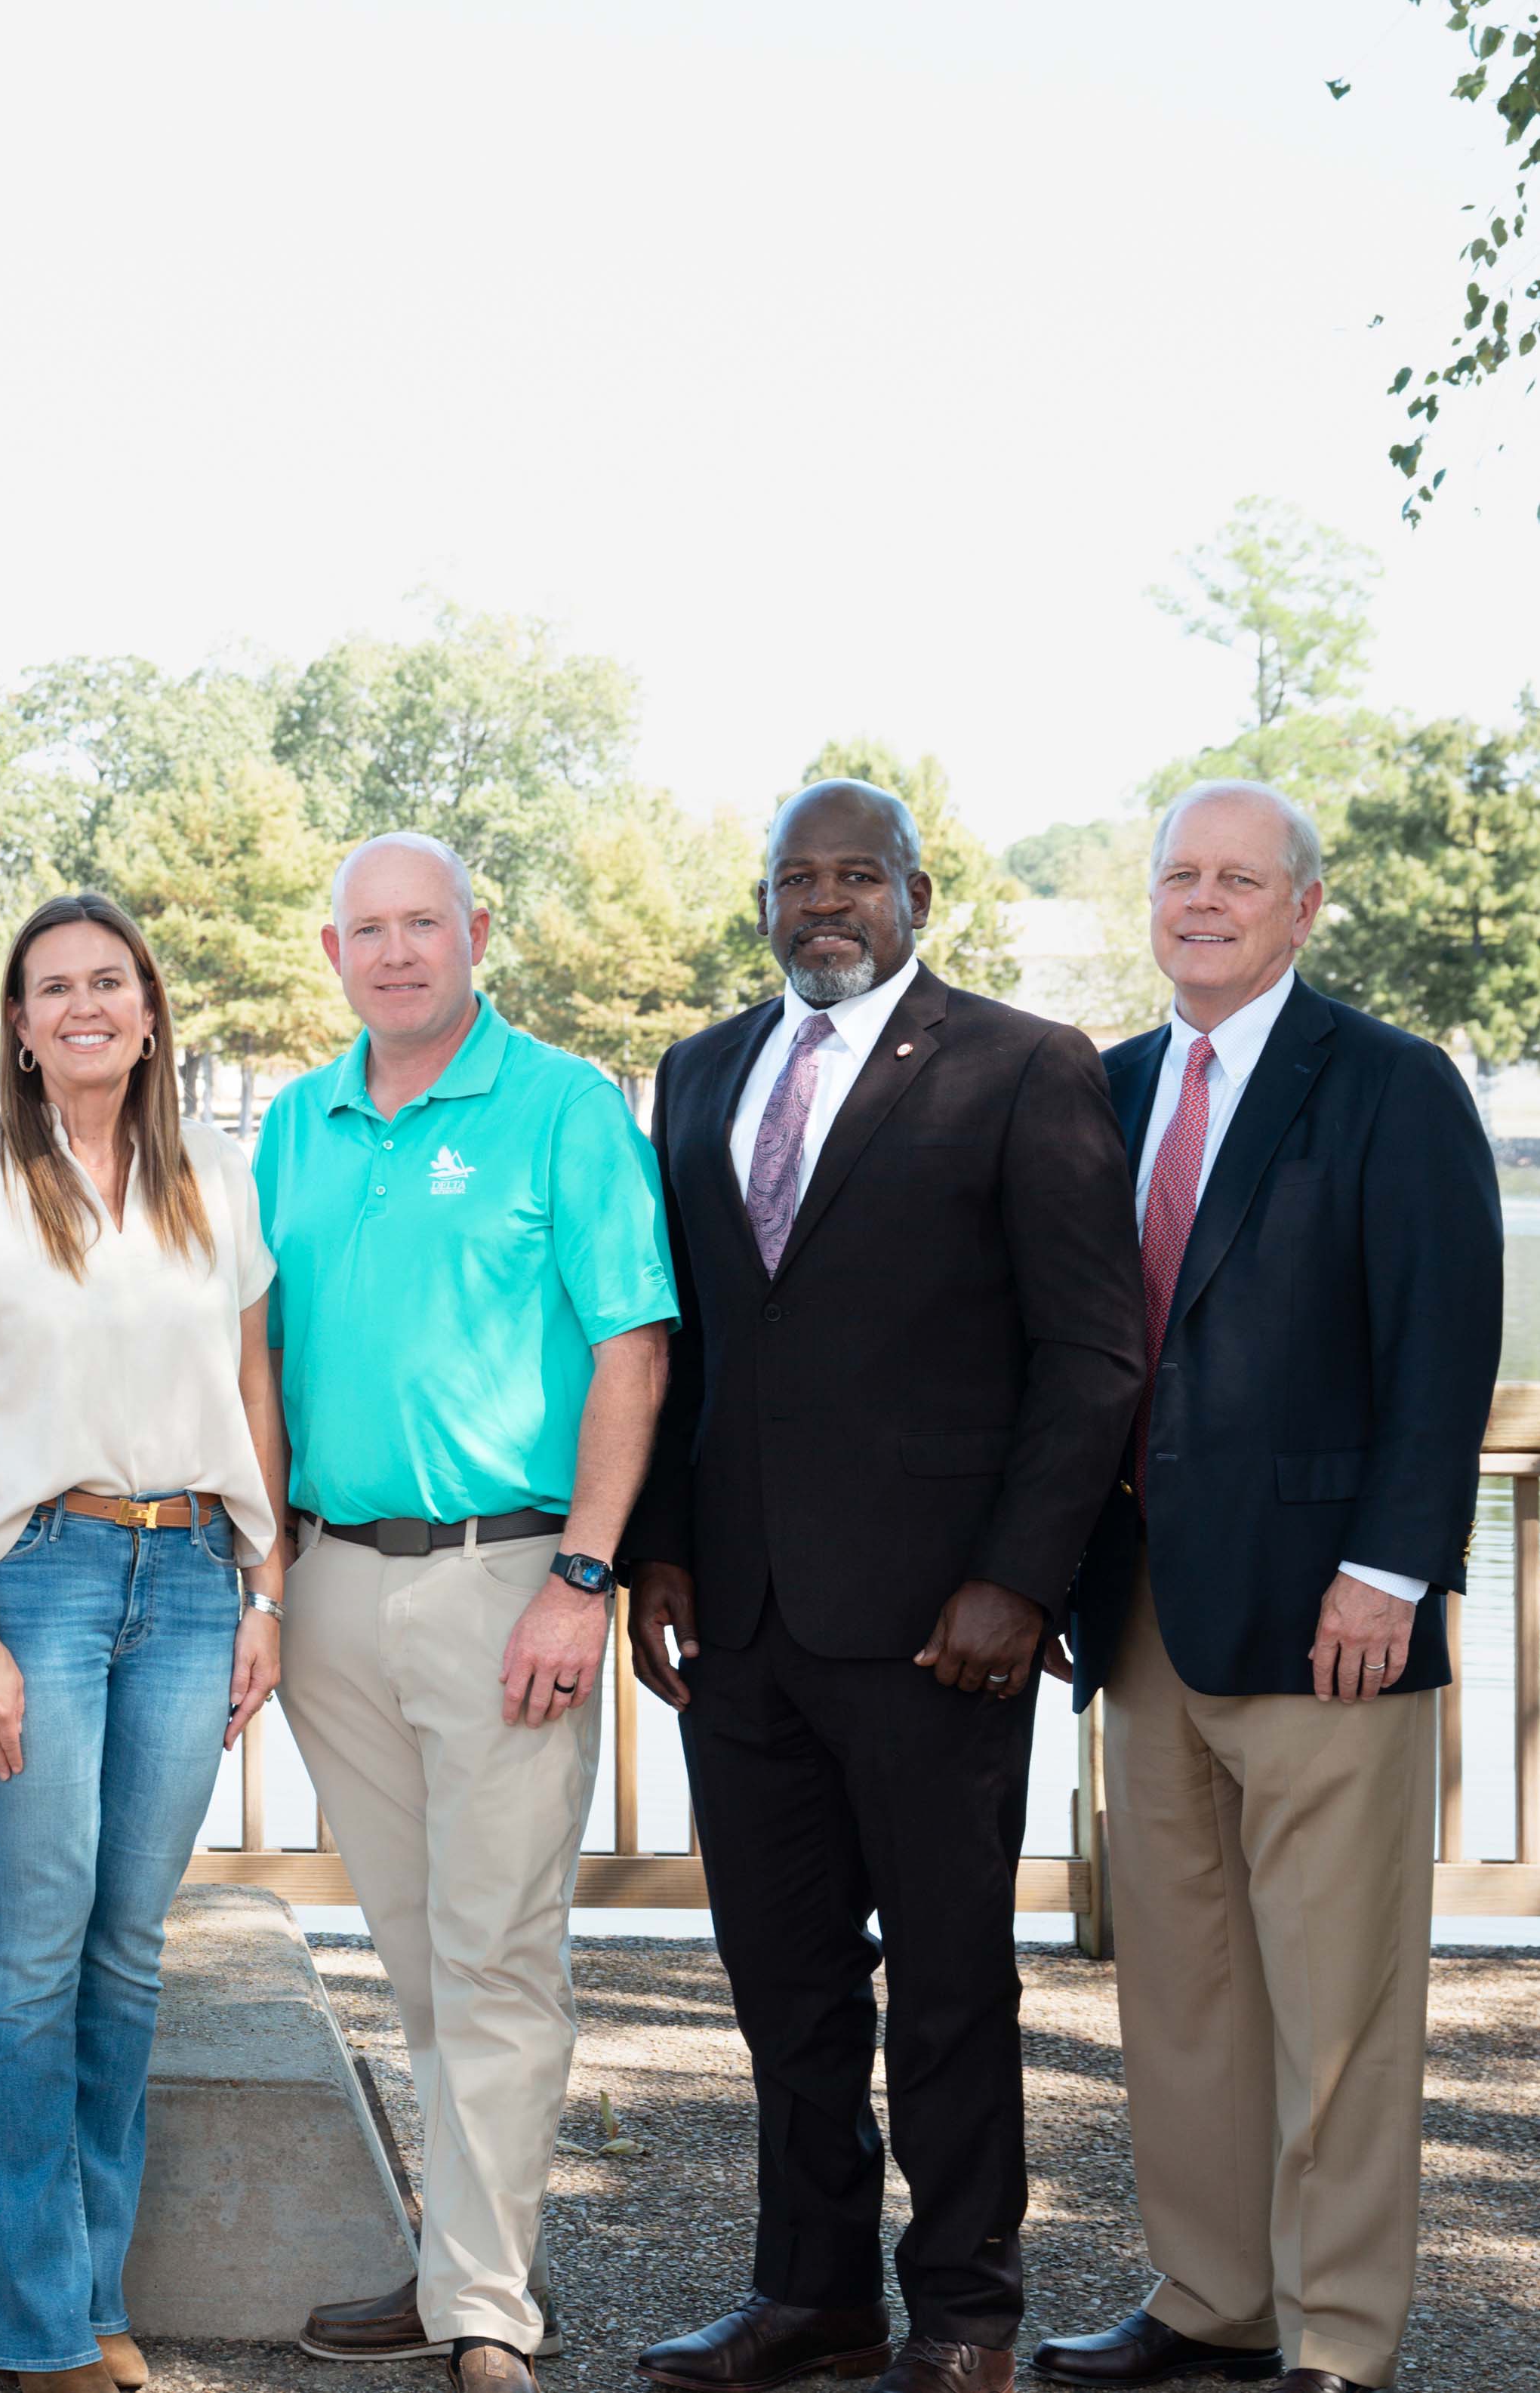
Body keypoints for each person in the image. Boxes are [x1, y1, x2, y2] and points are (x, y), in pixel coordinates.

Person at [624, 782, 1146, 2393]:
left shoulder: (1019, 1064)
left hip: (939, 1629)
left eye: (856, 875)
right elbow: (686, 1337)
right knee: (781, 1981)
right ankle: (811, 2293)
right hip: (741, 1623)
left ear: (917, 894)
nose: (823, 901)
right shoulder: (701, 1069)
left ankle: (965, 2314)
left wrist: (1015, 1577)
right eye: (796, 877)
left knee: (941, 1982)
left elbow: (1089, 1349)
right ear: (764, 900)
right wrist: (657, 1543)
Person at [1024, 784, 1501, 2393]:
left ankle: (1341, 2337)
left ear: (1301, 905)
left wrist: (1385, 1570)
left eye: (1237, 877)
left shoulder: (1386, 1083)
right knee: (1181, 1987)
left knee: (1340, 2001)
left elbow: (1439, 1348)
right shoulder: (1106, 1087)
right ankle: (1208, 2296)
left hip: (1325, 1621)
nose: (1201, 900)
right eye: (1178, 875)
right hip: (1139, 1607)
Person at [252, 836, 674, 2393]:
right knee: (420, 1954)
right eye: (366, 928)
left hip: (511, 1578)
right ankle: (462, 2263)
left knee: (496, 1949)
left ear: (474, 931)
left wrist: (583, 1570)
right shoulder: (293, 1123)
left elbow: (631, 1345)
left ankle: (483, 2307)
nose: (395, 950)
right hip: (329, 1586)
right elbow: (255, 1360)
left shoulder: (561, 1106)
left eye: (422, 922)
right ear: (331, 948)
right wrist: (264, 1573)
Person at [0, 893, 289, 2393]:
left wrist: (262, 1591)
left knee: (125, 1956)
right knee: (32, 1956)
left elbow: (253, 1390)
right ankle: (36, 2324)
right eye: (50, 986)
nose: (80, 1005)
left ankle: (97, 2293)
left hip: (191, 1578)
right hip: (39, 1581)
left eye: (106, 980)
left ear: (147, 1005)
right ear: (15, 1021)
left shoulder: (213, 1182)